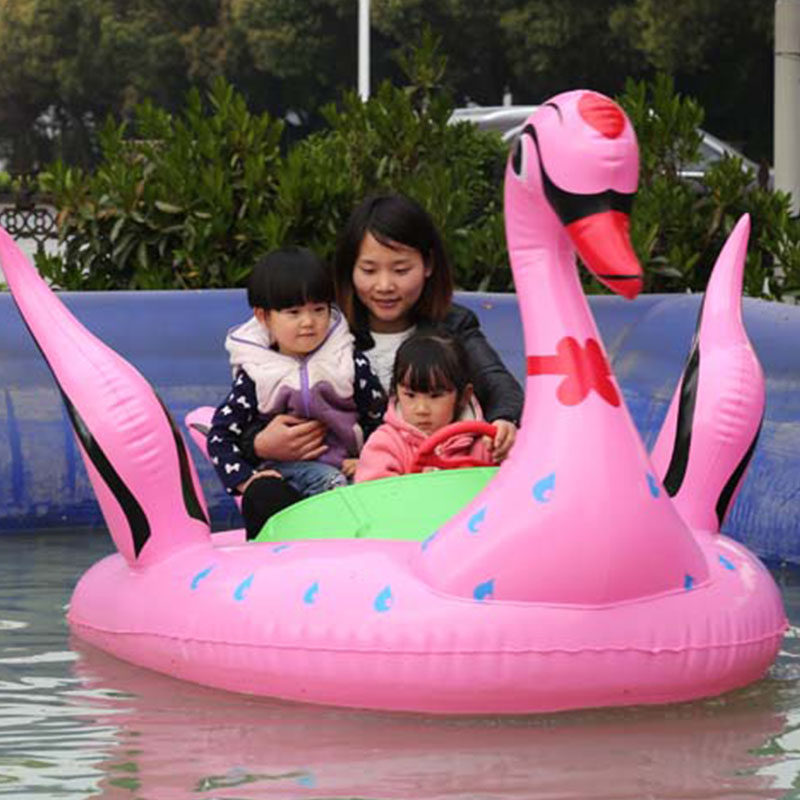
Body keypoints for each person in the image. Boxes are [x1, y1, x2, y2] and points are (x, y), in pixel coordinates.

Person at [244, 192, 523, 468]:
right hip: (335, 486)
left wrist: (504, 420)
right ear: (349, 269)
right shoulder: (320, 328)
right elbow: (244, 404)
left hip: (428, 482)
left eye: (400, 270)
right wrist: (258, 443)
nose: (384, 285)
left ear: (428, 265)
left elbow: (498, 383)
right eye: (368, 270)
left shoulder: (453, 326)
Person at [207, 247, 382, 539]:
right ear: (263, 316)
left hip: (348, 474)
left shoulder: (349, 361)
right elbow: (220, 436)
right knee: (262, 494)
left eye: (318, 309)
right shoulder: (256, 373)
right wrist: (246, 481)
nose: (308, 322)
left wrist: (371, 457)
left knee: (369, 492)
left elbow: (379, 416)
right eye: (293, 312)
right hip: (288, 481)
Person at [355, 329, 495, 482]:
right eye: (410, 395)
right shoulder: (385, 444)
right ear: (396, 391)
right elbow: (375, 497)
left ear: (463, 396)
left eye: (435, 396)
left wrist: (505, 445)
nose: (421, 409)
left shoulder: (485, 443)